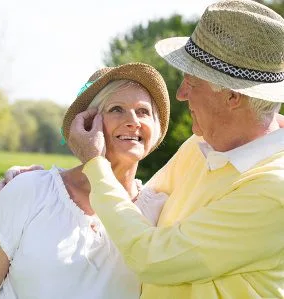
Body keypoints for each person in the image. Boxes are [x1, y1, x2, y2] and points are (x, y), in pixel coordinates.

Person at [64, 1, 284, 298]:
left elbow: (150, 257)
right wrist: (51, 183)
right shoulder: (202, 144)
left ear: (232, 97)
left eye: (191, 82)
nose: (180, 94)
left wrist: (94, 163)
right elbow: (134, 209)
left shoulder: (274, 192)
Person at [0, 63, 170, 299]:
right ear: (88, 123)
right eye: (116, 109)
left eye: (143, 111)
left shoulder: (161, 212)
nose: (133, 120)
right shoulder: (30, 190)